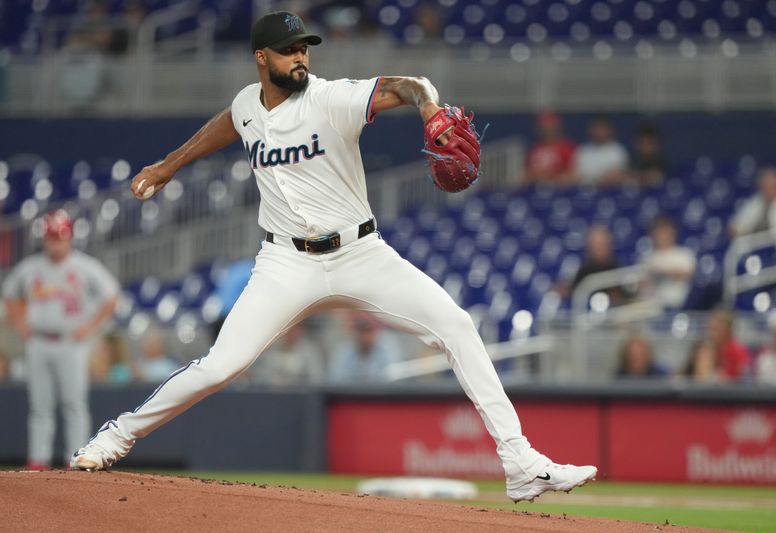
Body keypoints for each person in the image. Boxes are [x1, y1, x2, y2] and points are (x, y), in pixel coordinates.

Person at [69, 11, 596, 501]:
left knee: (457, 326)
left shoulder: (332, 99)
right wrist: (168, 165)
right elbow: (228, 123)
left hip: (360, 253)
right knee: (219, 367)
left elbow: (406, 86)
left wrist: (429, 106)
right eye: (288, 50)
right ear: (262, 59)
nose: (300, 57)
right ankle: (116, 437)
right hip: (285, 265)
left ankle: (520, 464)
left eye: (304, 48)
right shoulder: (249, 105)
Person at [2, 210, 119, 470]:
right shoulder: (32, 267)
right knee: (40, 405)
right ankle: (38, 459)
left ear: (69, 238)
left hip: (70, 342)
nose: (55, 243)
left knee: (73, 404)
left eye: (59, 237)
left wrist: (89, 327)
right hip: (38, 342)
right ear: (44, 238)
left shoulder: (84, 266)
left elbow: (111, 296)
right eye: (51, 237)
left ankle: (75, 457)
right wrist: (21, 323)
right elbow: (9, 293)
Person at [328, 313, 401, 383]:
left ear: (376, 330)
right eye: (361, 330)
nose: (365, 335)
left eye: (369, 330)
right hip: (351, 395)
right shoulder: (344, 350)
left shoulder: (388, 346)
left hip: (380, 395)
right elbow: (335, 381)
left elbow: (393, 380)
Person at [641, 216, 696, 309]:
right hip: (654, 306)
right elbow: (643, 284)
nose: (663, 236)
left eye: (665, 232)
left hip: (678, 303)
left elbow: (687, 275)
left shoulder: (684, 254)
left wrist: (662, 272)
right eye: (659, 233)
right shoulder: (649, 258)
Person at [729, 167, 776, 237]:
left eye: (772, 185)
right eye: (767, 186)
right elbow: (735, 227)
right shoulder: (753, 203)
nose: (770, 190)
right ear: (761, 187)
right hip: (755, 244)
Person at [247, 322, 324, 386]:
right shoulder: (271, 350)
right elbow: (261, 376)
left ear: (300, 330)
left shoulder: (310, 351)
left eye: (293, 329)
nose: (289, 333)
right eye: (286, 329)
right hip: (274, 396)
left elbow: (317, 378)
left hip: (302, 397)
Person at [523, 110, 576, 185]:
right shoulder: (535, 148)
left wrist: (552, 174)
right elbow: (526, 173)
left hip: (559, 188)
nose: (547, 128)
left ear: (557, 126)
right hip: (535, 188)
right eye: (544, 124)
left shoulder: (566, 147)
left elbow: (572, 173)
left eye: (550, 124)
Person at [574, 115, 628, 186]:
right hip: (585, 190)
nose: (599, 132)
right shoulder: (583, 150)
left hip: (610, 190)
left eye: (602, 128)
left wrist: (595, 178)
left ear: (609, 130)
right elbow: (575, 175)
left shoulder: (617, 150)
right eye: (596, 128)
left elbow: (619, 175)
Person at [706, 309, 751, 382]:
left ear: (728, 329)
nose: (712, 333)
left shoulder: (738, 352)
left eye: (716, 329)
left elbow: (739, 380)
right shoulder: (707, 350)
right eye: (711, 329)